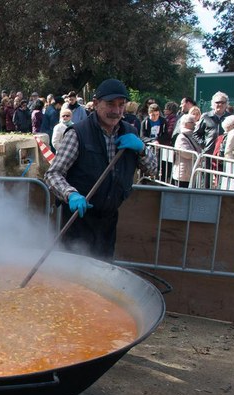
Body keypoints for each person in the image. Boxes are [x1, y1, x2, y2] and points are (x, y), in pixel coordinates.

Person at [43, 79, 157, 260]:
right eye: (110, 104)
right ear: (96, 104)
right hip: (78, 220)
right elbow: (53, 173)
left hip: (109, 220)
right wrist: (70, 194)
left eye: (121, 105)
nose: (116, 111)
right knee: (73, 276)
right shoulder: (78, 134)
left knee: (102, 272)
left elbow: (152, 169)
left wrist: (142, 149)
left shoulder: (130, 133)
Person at [172, 113, 202, 188]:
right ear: (185, 124)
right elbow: (186, 153)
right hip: (183, 173)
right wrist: (199, 155)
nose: (195, 124)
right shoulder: (181, 137)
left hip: (192, 172)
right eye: (192, 122)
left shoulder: (194, 136)